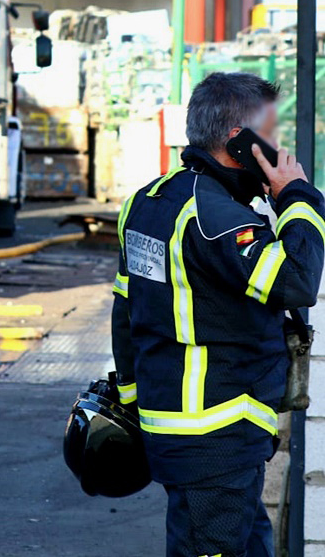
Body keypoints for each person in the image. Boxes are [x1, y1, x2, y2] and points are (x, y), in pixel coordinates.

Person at [112, 72, 325, 556]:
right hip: (216, 438)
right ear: (240, 141)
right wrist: (297, 195)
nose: (277, 150)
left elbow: (124, 314)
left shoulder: (145, 202)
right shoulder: (218, 219)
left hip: (182, 433)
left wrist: (132, 400)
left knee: (249, 545)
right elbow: (295, 282)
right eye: (269, 137)